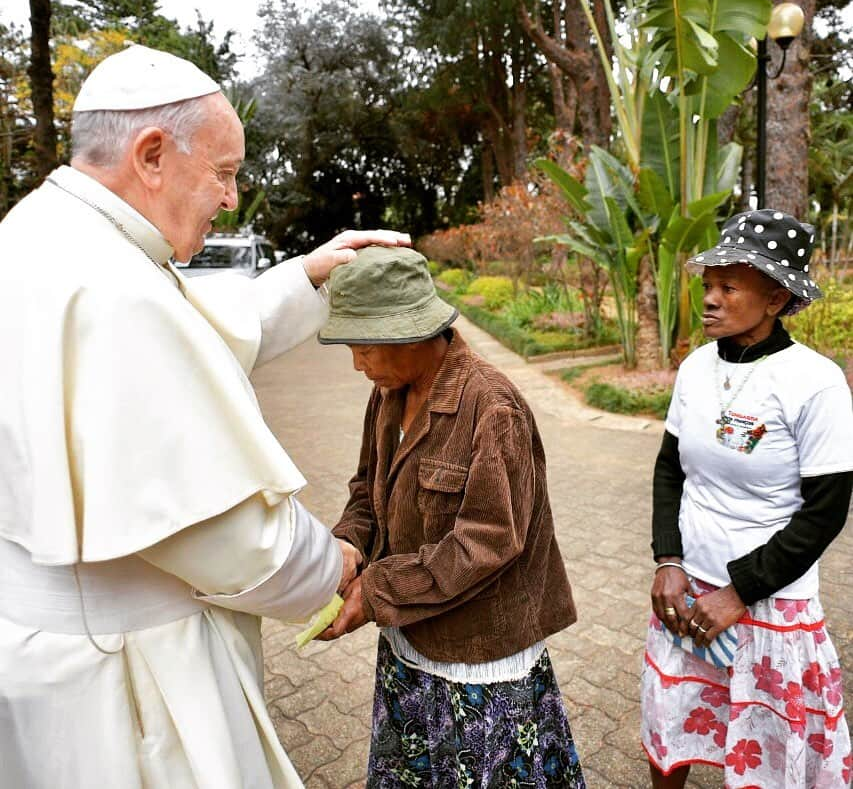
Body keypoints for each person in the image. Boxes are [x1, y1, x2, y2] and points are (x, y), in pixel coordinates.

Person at [0, 44, 409, 788]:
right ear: (151, 155)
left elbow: (191, 330)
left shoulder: (41, 236)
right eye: (223, 172)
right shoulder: (110, 285)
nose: (230, 198)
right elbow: (226, 536)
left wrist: (306, 274)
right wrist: (331, 563)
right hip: (125, 679)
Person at [316, 246, 586, 787]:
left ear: (410, 333)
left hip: (477, 659)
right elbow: (366, 490)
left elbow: (487, 542)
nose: (356, 364)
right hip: (410, 640)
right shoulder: (388, 394)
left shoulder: (493, 408)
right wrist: (348, 547)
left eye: (365, 348)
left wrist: (378, 591)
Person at [641, 208, 853, 788]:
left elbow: (825, 511)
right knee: (672, 722)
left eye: (729, 286)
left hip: (766, 602)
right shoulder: (694, 368)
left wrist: (738, 592)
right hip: (688, 590)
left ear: (777, 299)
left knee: (766, 749)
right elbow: (669, 470)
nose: (709, 298)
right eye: (708, 283)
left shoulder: (816, 383)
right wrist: (668, 560)